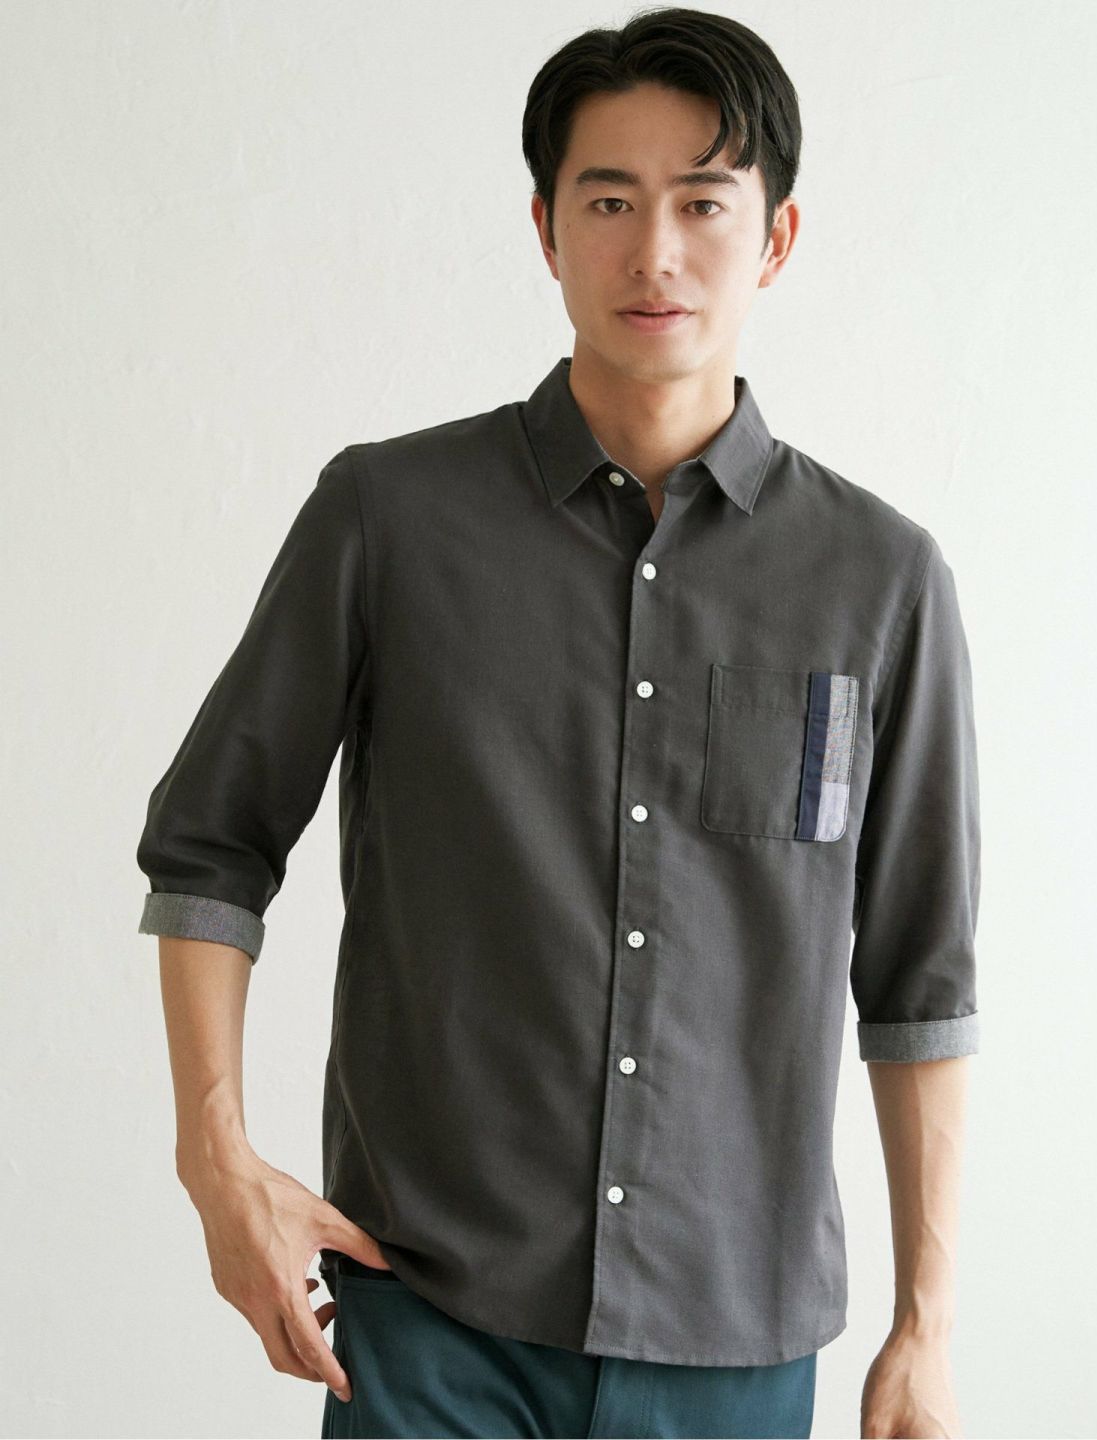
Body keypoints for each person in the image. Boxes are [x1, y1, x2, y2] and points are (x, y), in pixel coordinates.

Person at [136, 8, 981, 1438]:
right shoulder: (388, 520)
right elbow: (210, 848)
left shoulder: (880, 581)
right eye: (608, 201)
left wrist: (926, 1325)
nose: (655, 254)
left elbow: (920, 980)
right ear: (544, 229)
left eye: (703, 204)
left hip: (733, 1342)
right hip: (429, 1317)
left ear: (775, 238)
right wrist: (216, 1166)